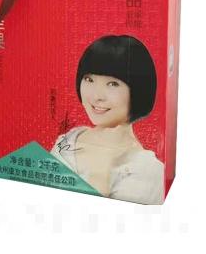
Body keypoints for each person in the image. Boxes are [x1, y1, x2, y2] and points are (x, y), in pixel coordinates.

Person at [50, 35, 164, 204]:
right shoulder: (70, 138)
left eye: (113, 84)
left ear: (139, 90)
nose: (96, 96)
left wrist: (104, 170)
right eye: (89, 79)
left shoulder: (148, 171)